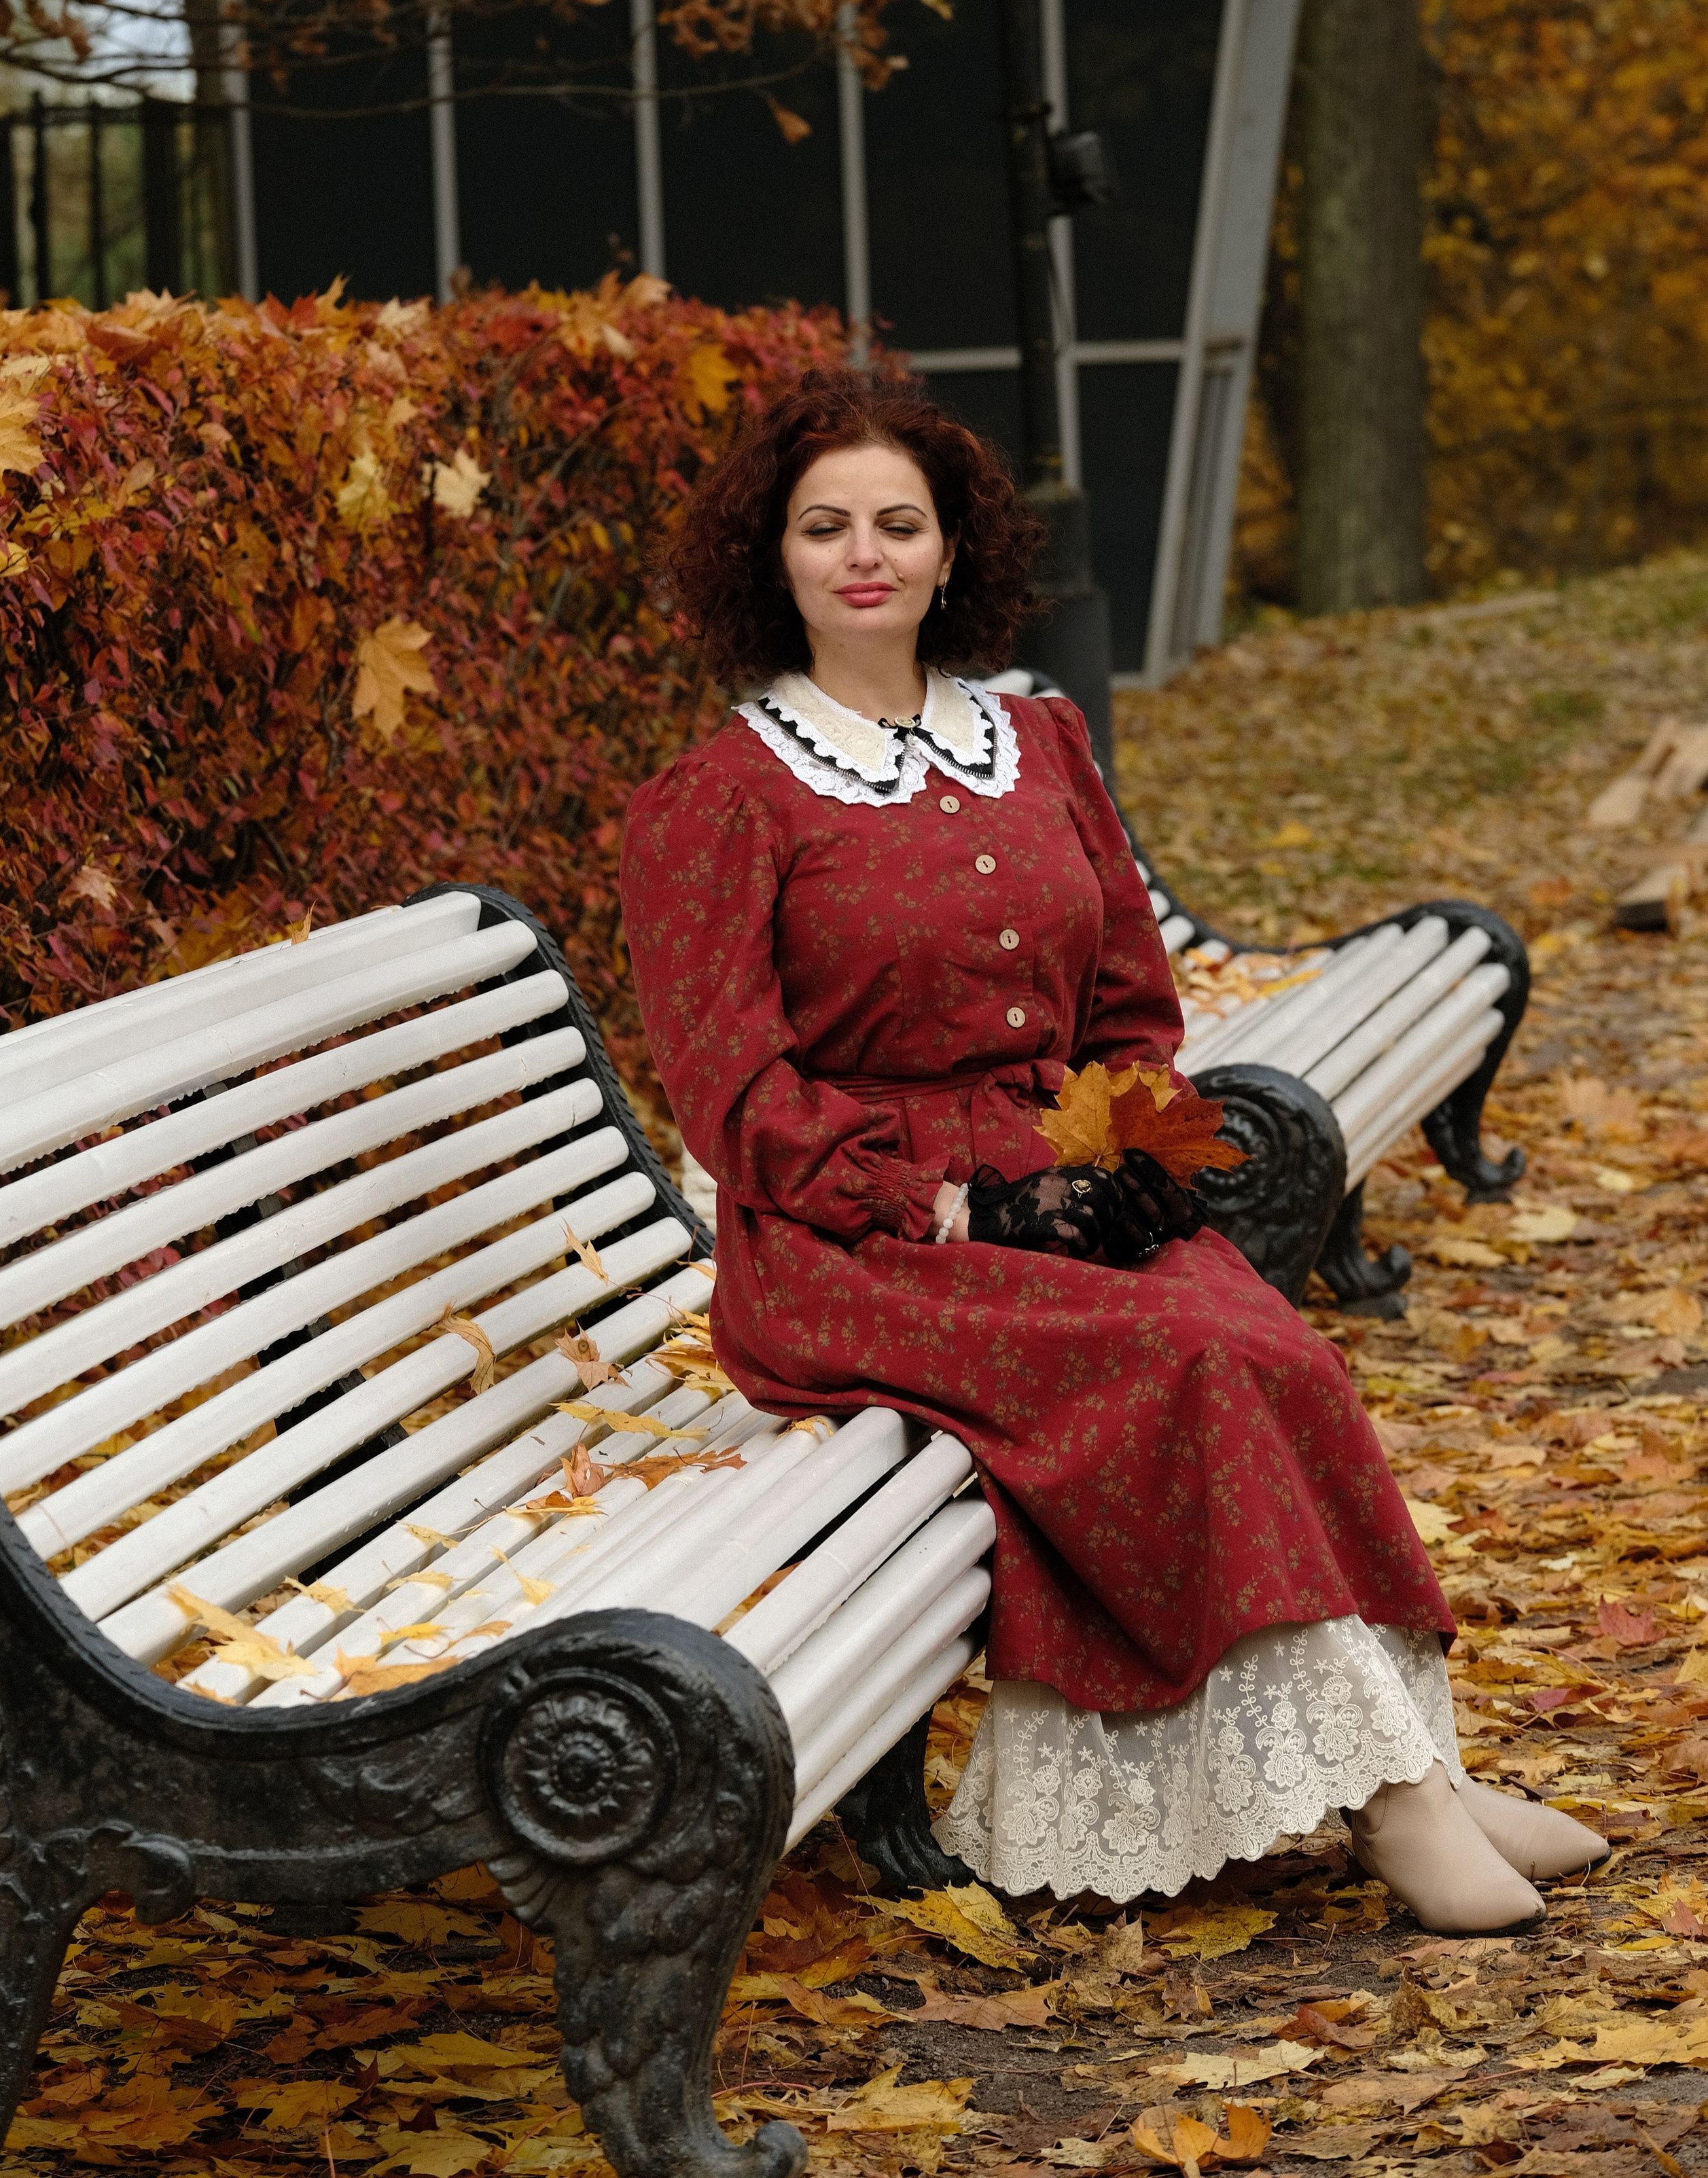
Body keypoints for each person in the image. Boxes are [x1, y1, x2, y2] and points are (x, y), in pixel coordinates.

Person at [619, 365, 1605, 1929]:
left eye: (897, 522)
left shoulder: (1032, 743)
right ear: (774, 559)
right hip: (851, 1246)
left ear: (952, 553)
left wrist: (1131, 1149)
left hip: (1058, 1194)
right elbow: (731, 1097)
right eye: (823, 528)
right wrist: (948, 1197)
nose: (862, 554)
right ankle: (1389, 1797)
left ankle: (1405, 1754)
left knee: (1272, 1346)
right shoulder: (719, 799)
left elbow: (1130, 1003)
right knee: (1192, 1364)